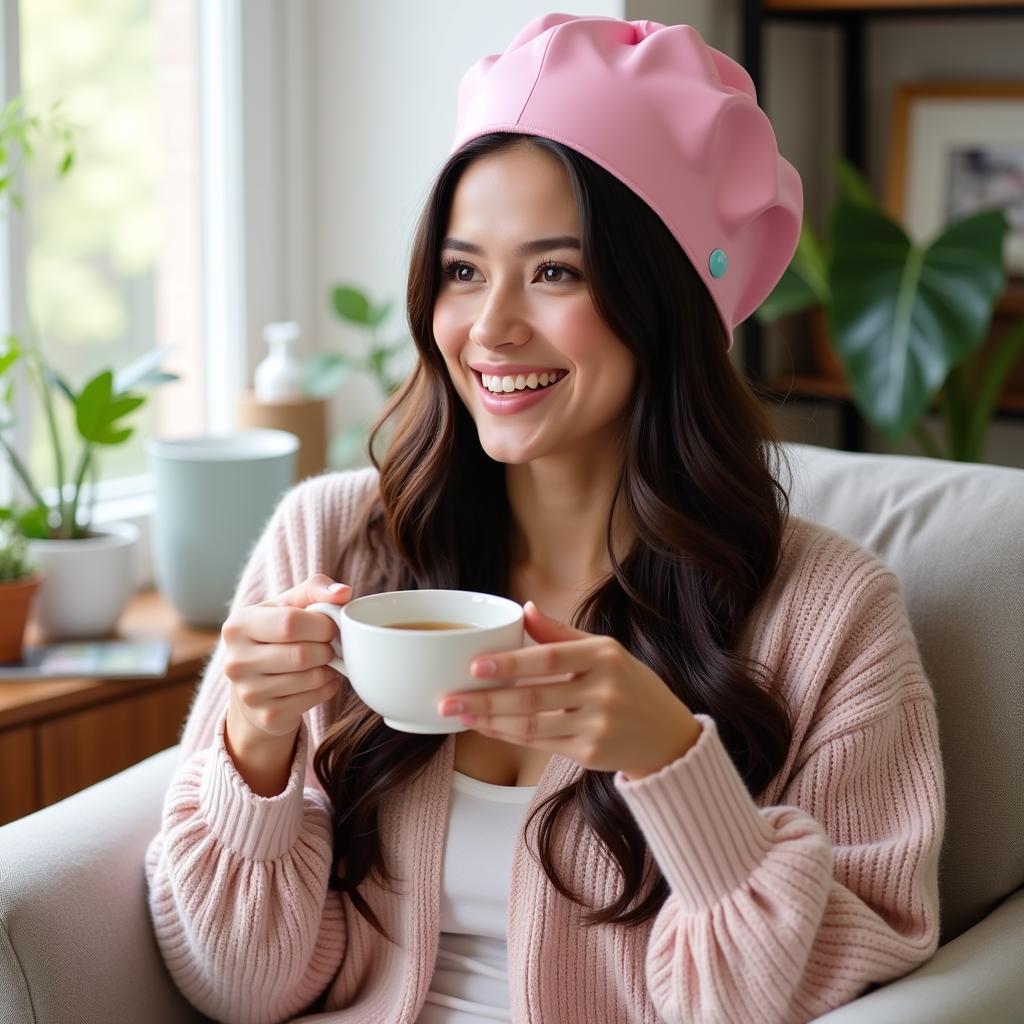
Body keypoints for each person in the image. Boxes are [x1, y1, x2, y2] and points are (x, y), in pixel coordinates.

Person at [145, 13, 944, 1024]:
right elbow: (236, 987)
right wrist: (253, 749)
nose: (489, 327)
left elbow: (778, 1000)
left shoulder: (829, 617)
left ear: (667, 303)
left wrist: (672, 767)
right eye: (463, 269)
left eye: (555, 271)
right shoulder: (328, 540)